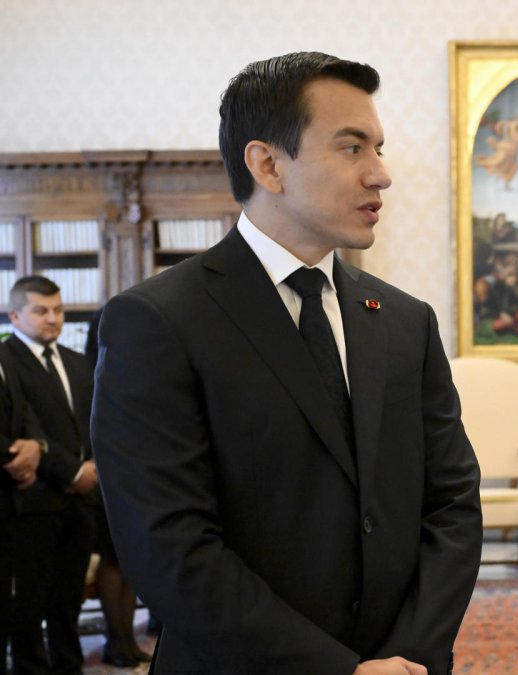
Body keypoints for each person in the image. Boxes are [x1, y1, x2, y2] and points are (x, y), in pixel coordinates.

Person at [91, 52, 482, 675]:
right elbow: (168, 547)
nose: (381, 174)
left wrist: (410, 655)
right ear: (268, 164)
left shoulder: (406, 321)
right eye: (352, 148)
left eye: (379, 148)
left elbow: (453, 504)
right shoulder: (157, 321)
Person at [4, 275, 98, 675]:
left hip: (82, 498)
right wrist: (72, 471)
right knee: (29, 600)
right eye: (41, 311)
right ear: (15, 316)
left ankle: (69, 666)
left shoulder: (77, 361)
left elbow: (93, 422)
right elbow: (25, 429)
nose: (53, 319)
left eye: (58, 310)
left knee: (68, 598)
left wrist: (92, 467)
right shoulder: (7, 360)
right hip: (33, 498)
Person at [84, 308, 151, 667]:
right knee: (112, 559)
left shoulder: (133, 367)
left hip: (135, 477)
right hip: (103, 480)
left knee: (128, 561)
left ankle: (126, 639)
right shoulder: (89, 372)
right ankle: (116, 640)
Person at [0, 339, 51, 675]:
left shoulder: (4, 355)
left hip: (13, 503)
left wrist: (35, 446)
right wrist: (15, 459)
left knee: (14, 601)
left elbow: (24, 410)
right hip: (9, 479)